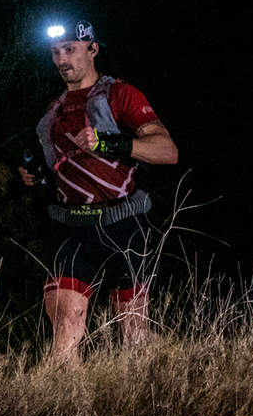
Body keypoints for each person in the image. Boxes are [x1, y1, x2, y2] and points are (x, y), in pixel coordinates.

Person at [18, 20, 178, 362]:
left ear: (92, 50)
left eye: (70, 49)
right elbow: (62, 166)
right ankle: (65, 392)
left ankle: (157, 384)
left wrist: (109, 143)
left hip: (122, 224)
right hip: (70, 227)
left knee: (134, 332)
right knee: (64, 329)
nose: (62, 59)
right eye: (55, 52)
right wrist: (37, 177)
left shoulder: (119, 94)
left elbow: (168, 151)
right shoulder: (53, 108)